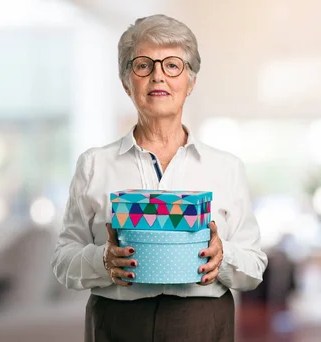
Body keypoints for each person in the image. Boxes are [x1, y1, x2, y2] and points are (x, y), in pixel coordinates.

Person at [51, 14, 268, 342]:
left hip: (203, 322)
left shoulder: (227, 168)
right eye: (143, 66)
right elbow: (63, 261)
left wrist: (223, 257)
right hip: (116, 322)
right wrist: (102, 260)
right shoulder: (94, 165)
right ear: (127, 83)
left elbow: (253, 268)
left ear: (190, 82)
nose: (158, 77)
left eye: (172, 66)